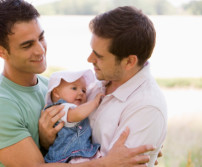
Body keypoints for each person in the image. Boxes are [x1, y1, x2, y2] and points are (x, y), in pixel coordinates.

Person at [0, 0, 156, 166]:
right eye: (27, 45)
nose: (40, 50)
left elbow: (82, 133)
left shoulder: (52, 87)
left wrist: (138, 147)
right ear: (1, 52)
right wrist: (107, 163)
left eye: (41, 38)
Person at [39, 6, 167, 167]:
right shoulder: (99, 83)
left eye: (99, 56)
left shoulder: (146, 109)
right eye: (92, 50)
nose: (89, 59)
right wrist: (46, 139)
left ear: (129, 62)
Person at [43, 69, 103, 163]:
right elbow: (77, 114)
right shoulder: (60, 108)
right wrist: (94, 102)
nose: (81, 93)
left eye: (84, 90)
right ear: (56, 92)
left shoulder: (73, 107)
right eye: (74, 88)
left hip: (80, 153)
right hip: (67, 157)